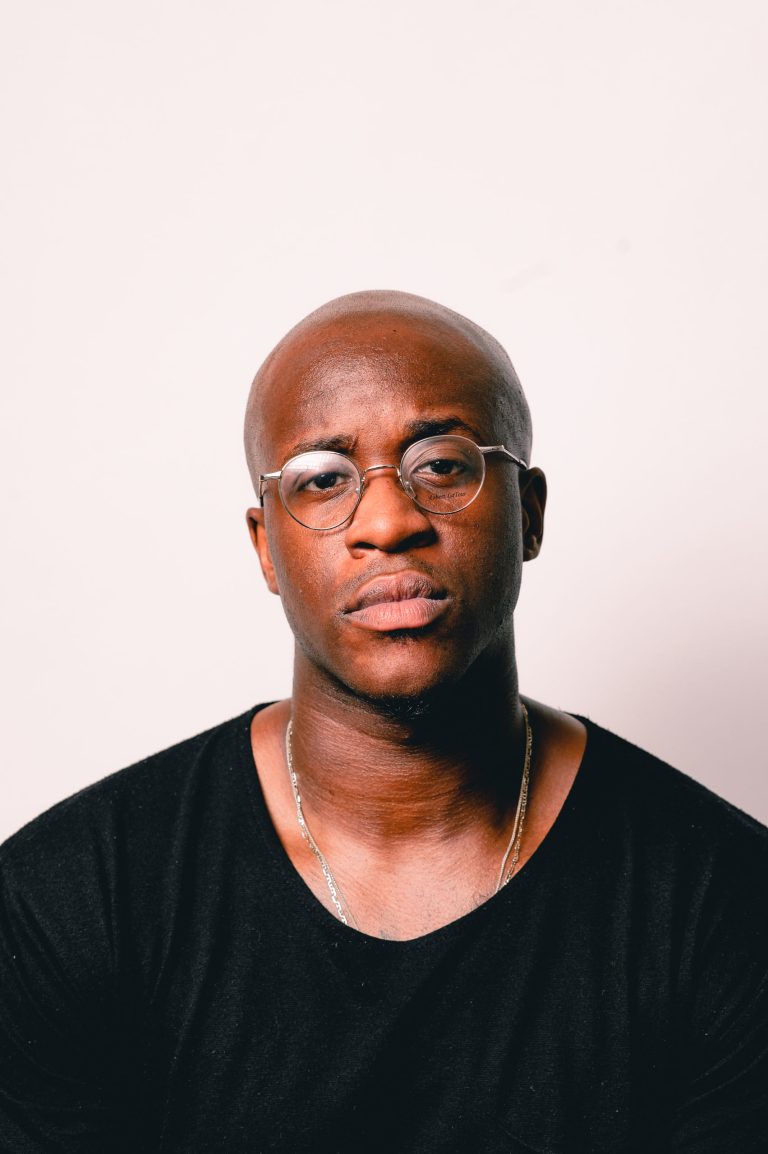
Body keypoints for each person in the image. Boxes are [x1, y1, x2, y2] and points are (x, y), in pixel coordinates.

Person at [0, 290, 766, 1153]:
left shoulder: (726, 903)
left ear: (529, 514)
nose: (389, 522)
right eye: (322, 479)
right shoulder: (70, 903)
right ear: (266, 546)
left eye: (441, 465)